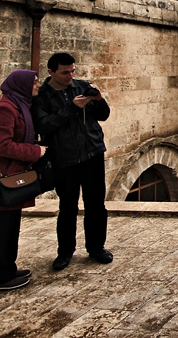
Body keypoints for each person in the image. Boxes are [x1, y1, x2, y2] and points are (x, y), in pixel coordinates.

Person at [32, 52, 112, 271]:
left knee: (96, 203)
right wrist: (71, 108)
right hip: (64, 157)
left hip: (92, 153)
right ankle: (65, 251)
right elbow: (43, 126)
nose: (70, 76)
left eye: (72, 71)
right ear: (51, 72)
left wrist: (98, 99)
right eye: (65, 72)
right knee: (67, 206)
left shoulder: (81, 86)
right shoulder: (43, 96)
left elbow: (103, 115)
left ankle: (96, 247)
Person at [0, 70, 47, 292]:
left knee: (10, 225)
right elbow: (1, 145)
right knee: (0, 228)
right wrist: (35, 152)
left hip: (11, 173)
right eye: (34, 82)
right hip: (1, 176)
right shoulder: (4, 109)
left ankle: (7, 269)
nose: (38, 85)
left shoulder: (18, 105)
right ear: (21, 85)